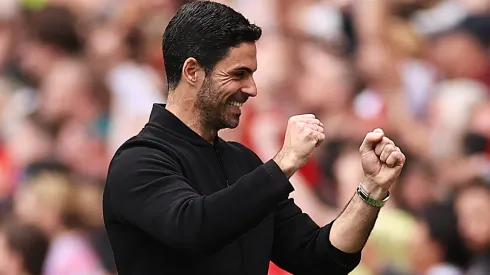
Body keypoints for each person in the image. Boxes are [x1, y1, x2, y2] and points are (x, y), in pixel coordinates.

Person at [102, 1, 406, 274]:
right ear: (192, 71)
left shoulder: (243, 163)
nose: (251, 89)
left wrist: (371, 190)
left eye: (252, 74)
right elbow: (196, 229)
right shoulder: (138, 162)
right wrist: (284, 161)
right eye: (238, 74)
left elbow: (320, 257)